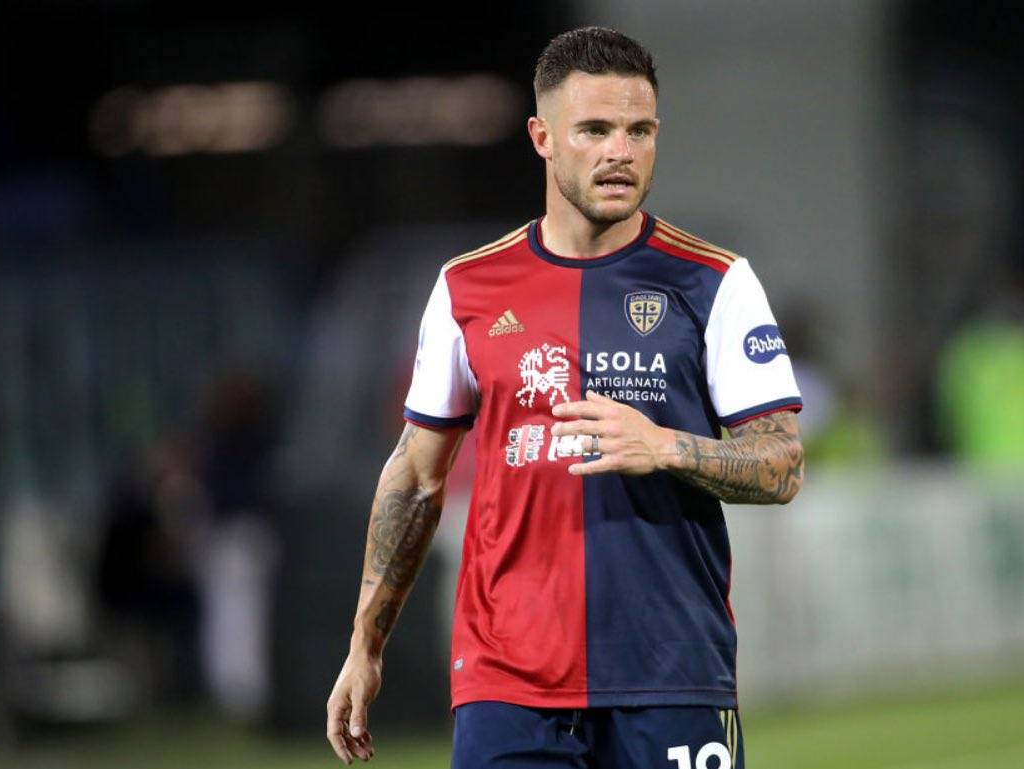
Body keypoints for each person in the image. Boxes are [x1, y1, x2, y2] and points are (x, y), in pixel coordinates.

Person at [326, 27, 804, 769]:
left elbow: (781, 463)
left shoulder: (716, 282)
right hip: (507, 679)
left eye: (640, 130)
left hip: (670, 670)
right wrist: (364, 646)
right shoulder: (467, 289)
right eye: (596, 130)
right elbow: (416, 477)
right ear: (542, 137)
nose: (621, 151)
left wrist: (664, 445)